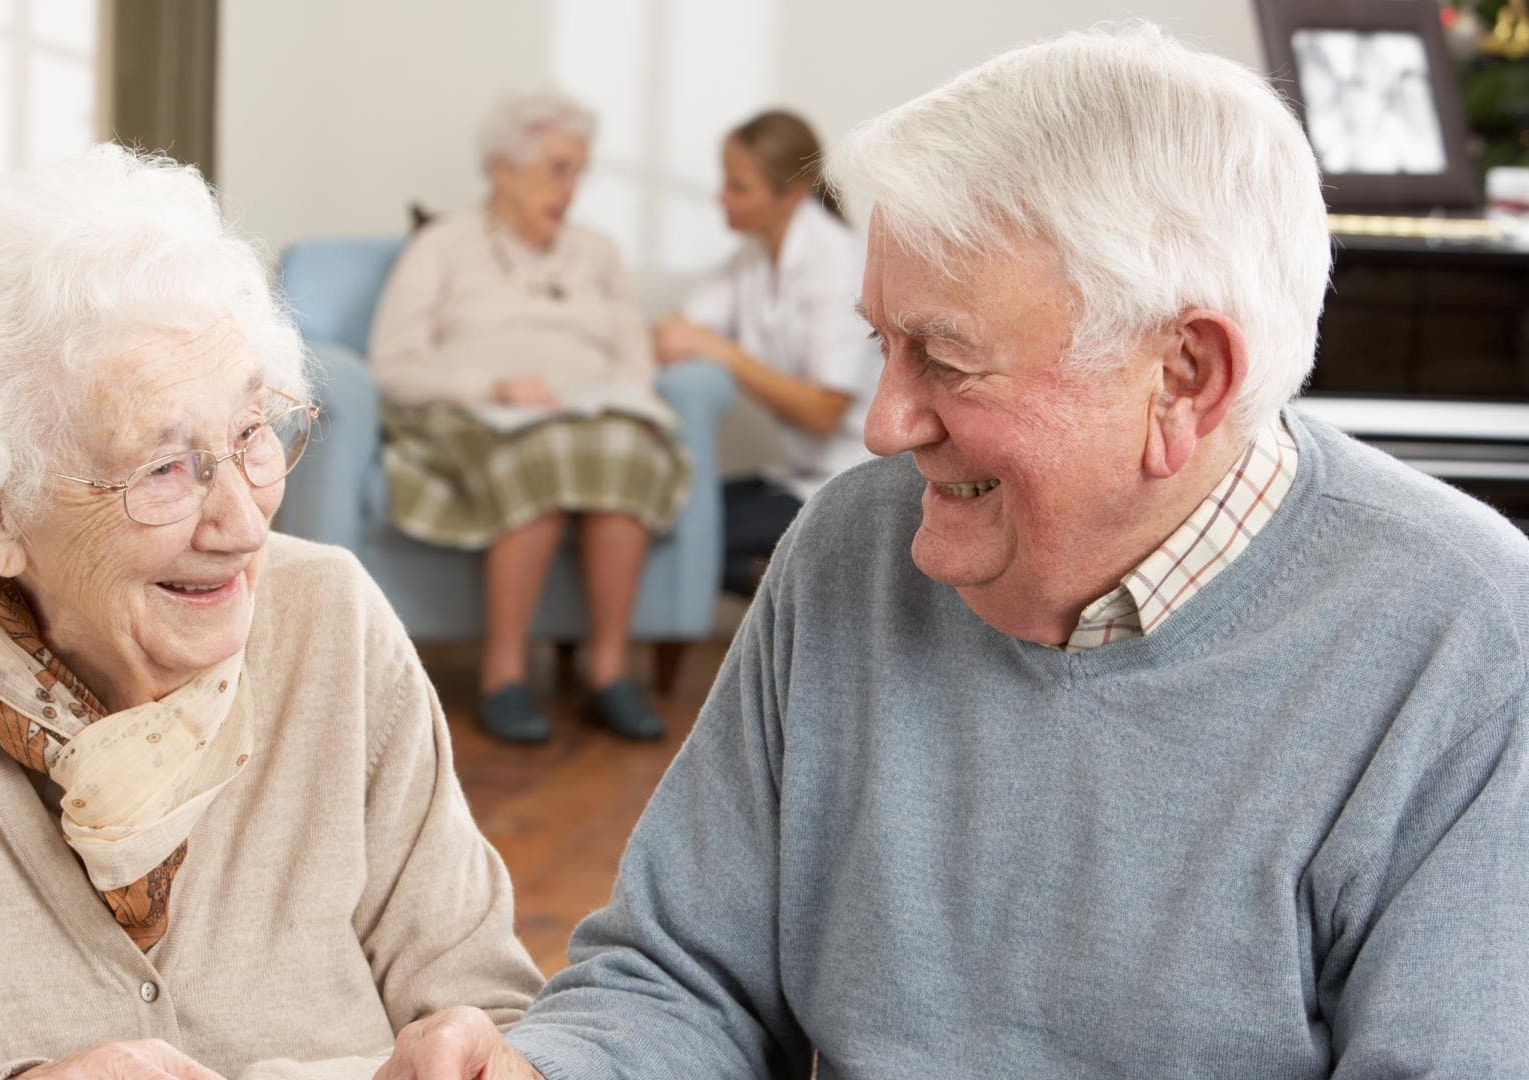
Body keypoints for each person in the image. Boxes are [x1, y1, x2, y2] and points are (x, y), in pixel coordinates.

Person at [377, 23, 1529, 1079]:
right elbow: (687, 980)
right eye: (884, 342)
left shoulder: (1467, 639)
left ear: (1184, 377)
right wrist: (545, 1073)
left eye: (945, 357)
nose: (883, 425)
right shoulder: (849, 545)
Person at [0, 146, 542, 1080]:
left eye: (250, 434)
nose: (244, 522)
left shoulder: (335, 625)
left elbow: (488, 1000)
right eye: (163, 468)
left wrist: (484, 1049)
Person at [369, 89, 688, 744]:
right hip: (481, 411)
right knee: (538, 457)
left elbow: (633, 358)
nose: (571, 189)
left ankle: (607, 676)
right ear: (502, 169)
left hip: (590, 411)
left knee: (625, 451)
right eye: (557, 168)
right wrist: (495, 384)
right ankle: (504, 676)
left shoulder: (597, 253)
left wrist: (630, 403)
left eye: (579, 170)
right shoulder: (442, 245)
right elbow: (394, 363)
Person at [653, 110, 875, 596]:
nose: (721, 197)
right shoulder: (752, 258)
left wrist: (724, 354)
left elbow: (822, 411)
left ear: (789, 194)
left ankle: (791, 597)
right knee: (667, 514)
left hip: (857, 478)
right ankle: (783, 592)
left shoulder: (837, 262)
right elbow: (676, 332)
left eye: (738, 186)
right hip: (799, 475)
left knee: (693, 538)